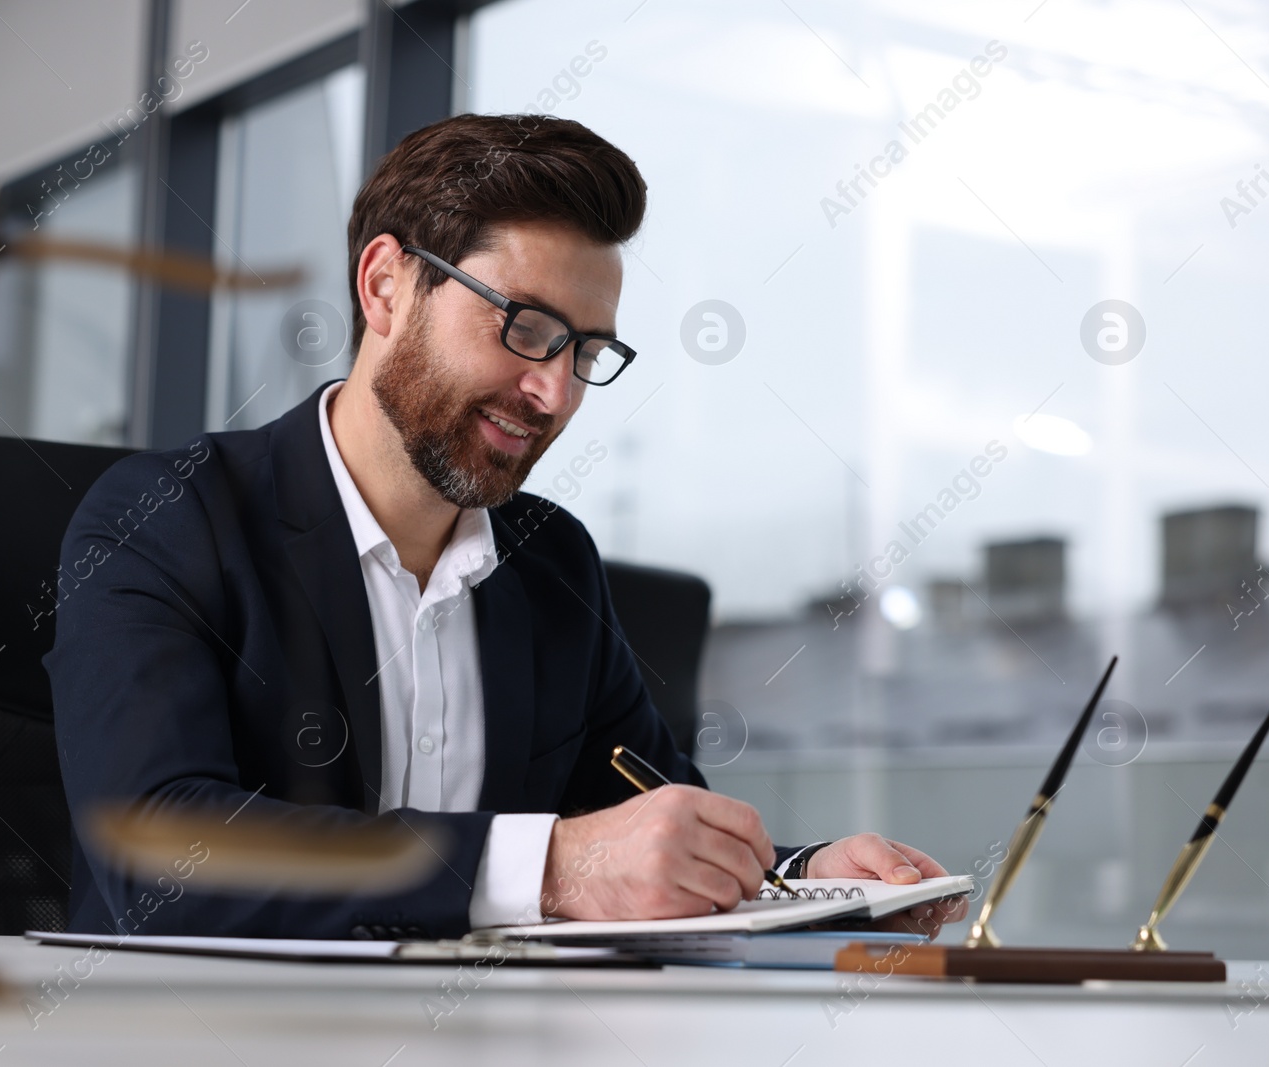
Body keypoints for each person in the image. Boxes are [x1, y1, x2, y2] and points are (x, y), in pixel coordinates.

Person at [47, 113, 960, 940]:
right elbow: (160, 850)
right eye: (525, 327)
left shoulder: (550, 557)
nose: (554, 391)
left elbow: (642, 819)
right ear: (385, 287)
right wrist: (553, 868)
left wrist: (802, 880)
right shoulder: (163, 519)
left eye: (587, 350)